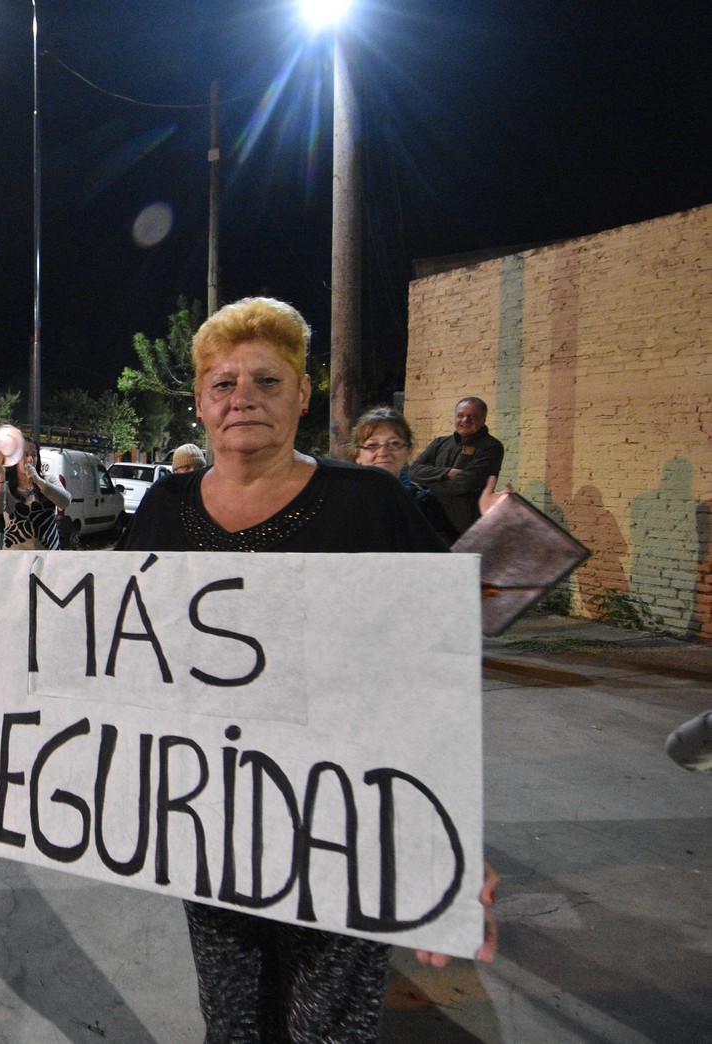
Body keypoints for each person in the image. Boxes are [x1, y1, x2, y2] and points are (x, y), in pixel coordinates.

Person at [123, 297, 497, 1042]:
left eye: (265, 380)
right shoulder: (164, 506)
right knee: (232, 1025)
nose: (242, 400)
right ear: (199, 402)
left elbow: (436, 671)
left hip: (341, 828)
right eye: (223, 384)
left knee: (326, 1030)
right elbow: (110, 641)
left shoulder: (369, 501)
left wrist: (451, 840)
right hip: (210, 823)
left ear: (302, 393)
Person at [350, 407, 459, 546]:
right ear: (357, 454)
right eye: (372, 445)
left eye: (394, 443)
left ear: (409, 451)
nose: (383, 452)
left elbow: (449, 556)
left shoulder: (425, 504)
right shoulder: (342, 502)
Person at [407, 396, 505, 535]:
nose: (465, 420)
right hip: (433, 521)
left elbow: (461, 485)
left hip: (465, 526)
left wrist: (427, 484)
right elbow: (413, 471)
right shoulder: (439, 443)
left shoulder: (491, 447)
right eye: (461, 415)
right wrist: (447, 472)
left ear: (483, 419)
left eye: (472, 416)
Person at [0, 434, 69, 550]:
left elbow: (65, 502)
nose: (30, 459)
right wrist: (0, 473)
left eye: (34, 455)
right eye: (25, 454)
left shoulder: (49, 480)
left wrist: (39, 481)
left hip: (48, 555)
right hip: (15, 556)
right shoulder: (6, 486)